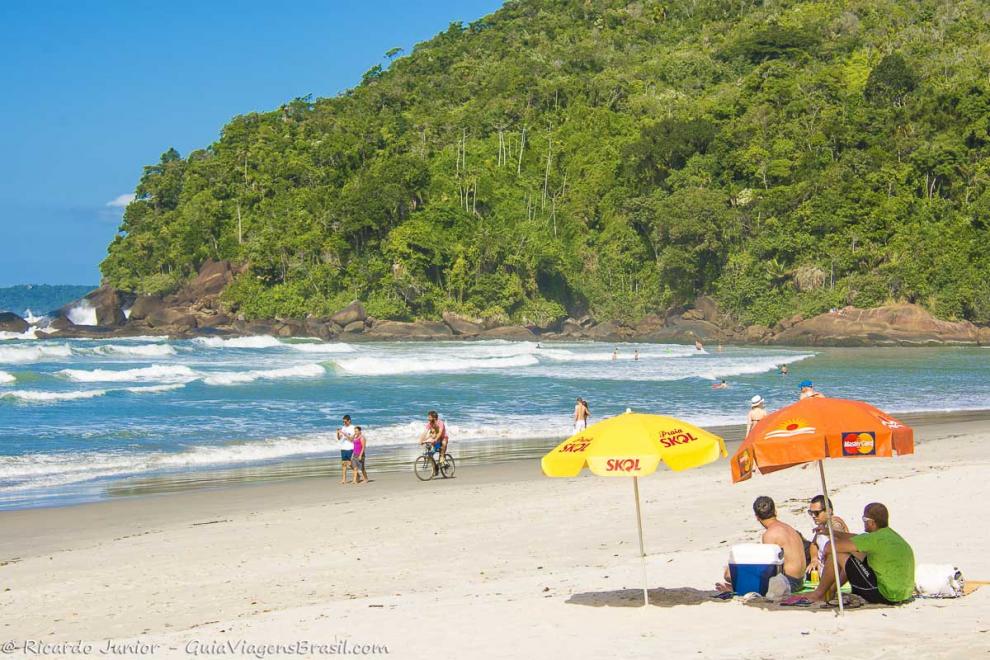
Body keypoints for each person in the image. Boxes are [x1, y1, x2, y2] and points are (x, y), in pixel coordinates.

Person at [783, 502, 915, 606]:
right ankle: (832, 590)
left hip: (885, 595)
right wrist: (830, 532)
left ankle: (820, 593)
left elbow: (830, 548)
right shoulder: (890, 536)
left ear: (872, 522)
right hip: (902, 594)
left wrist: (824, 550)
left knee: (839, 554)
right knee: (854, 557)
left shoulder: (873, 539)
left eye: (864, 518)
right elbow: (856, 538)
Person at [717, 496, 807, 594]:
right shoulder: (788, 528)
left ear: (756, 517)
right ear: (775, 511)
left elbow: (768, 570)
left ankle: (735, 589)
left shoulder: (770, 534)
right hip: (800, 580)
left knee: (729, 574)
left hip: (789, 584)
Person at [805, 495, 848, 577]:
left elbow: (841, 548)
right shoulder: (822, 526)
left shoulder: (834, 524)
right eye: (811, 513)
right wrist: (814, 559)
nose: (813, 516)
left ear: (829, 511)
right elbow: (814, 544)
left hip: (837, 577)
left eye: (816, 513)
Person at [337, 414, 356, 484]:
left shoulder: (353, 428)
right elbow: (339, 438)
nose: (344, 423)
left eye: (345, 422)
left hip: (350, 447)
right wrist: (338, 433)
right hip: (343, 447)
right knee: (343, 464)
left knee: (350, 463)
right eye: (343, 422)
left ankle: (356, 475)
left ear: (349, 421)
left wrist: (344, 434)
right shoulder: (343, 427)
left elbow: (351, 439)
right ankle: (343, 479)